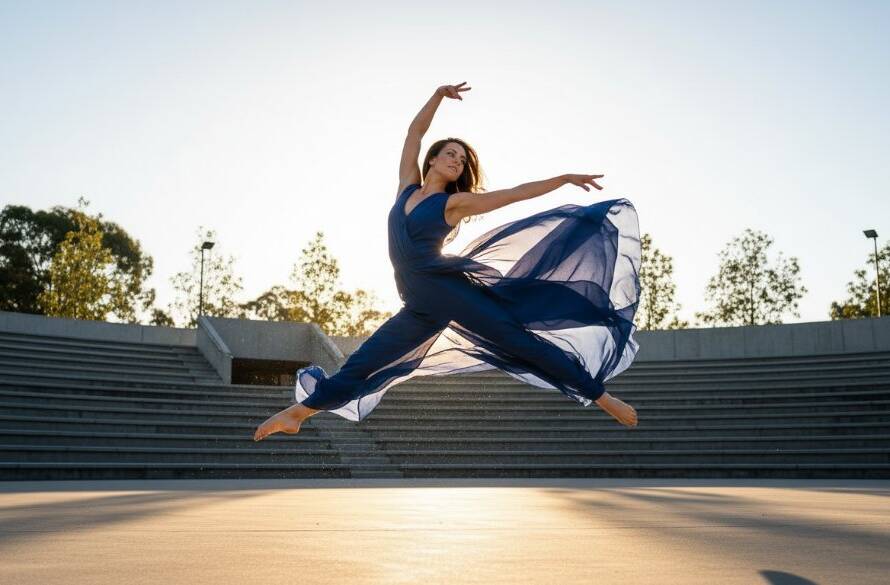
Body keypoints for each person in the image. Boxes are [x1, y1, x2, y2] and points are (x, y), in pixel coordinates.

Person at [254, 81, 641, 442]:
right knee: (364, 360)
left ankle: (603, 398)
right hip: (419, 305)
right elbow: (413, 134)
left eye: (462, 158)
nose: (456, 161)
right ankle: (298, 414)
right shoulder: (406, 186)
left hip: (450, 293)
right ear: (433, 160)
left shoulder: (454, 203)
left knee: (520, 343)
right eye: (450, 154)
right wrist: (438, 95)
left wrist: (563, 178)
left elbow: (513, 194)